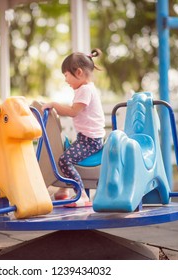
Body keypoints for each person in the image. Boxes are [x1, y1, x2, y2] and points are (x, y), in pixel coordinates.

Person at [42, 48, 105, 207]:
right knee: (63, 151)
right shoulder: (85, 89)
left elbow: (73, 112)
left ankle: (81, 195)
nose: (65, 80)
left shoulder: (84, 89)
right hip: (86, 138)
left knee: (65, 160)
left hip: (90, 141)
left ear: (78, 72)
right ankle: (63, 190)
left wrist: (54, 105)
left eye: (66, 75)